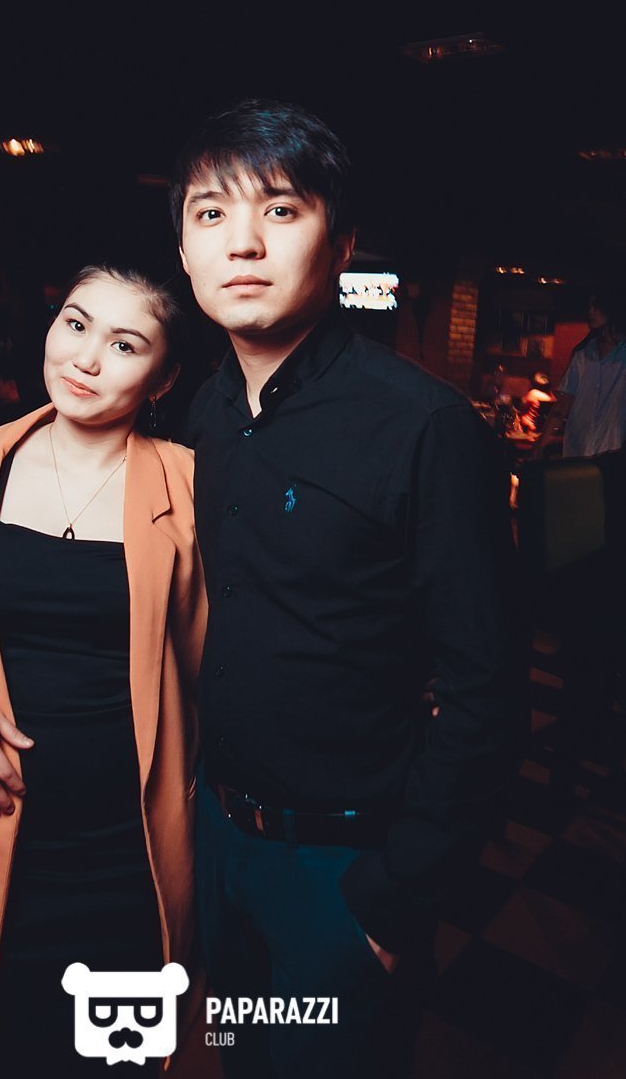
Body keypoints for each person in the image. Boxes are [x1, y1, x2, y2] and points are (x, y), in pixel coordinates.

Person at [170, 98, 526, 1078]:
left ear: (340, 244)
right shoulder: (202, 411)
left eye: (280, 210)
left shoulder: (423, 426)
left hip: (344, 867)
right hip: (217, 838)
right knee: (240, 1059)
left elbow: (488, 690)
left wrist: (398, 893)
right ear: (185, 251)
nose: (242, 241)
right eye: (210, 213)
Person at [0, 265, 210, 1079]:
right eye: (75, 323)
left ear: (162, 378)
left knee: (120, 1051)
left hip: (130, 841)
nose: (85, 358)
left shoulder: (195, 488)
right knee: (8, 1041)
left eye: (124, 344)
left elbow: (238, 654)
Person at [533, 287, 626, 459]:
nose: (590, 312)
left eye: (595, 306)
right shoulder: (583, 354)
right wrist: (540, 445)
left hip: (612, 454)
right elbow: (563, 404)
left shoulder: (622, 356)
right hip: (577, 450)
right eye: (589, 306)